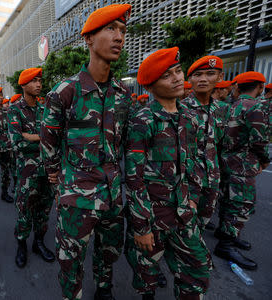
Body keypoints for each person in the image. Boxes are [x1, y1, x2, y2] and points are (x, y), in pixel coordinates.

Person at [41, 4, 132, 299]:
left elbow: (124, 142)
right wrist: (57, 179)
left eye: (122, 30)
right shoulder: (64, 92)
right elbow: (49, 143)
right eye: (110, 29)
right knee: (71, 261)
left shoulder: (122, 94)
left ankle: (104, 290)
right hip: (76, 198)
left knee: (109, 254)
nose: (119, 37)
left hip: (112, 194)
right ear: (88, 39)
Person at [125, 47, 211, 300]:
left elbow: (194, 161)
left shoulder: (189, 117)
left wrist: (194, 197)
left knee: (197, 273)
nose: (176, 79)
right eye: (166, 75)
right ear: (151, 86)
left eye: (177, 71)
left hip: (184, 212)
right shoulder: (143, 120)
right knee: (147, 276)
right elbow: (134, 176)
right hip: (153, 217)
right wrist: (141, 227)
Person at [215, 71, 270, 270]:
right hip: (244, 164)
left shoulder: (232, 105)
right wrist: (264, 160)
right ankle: (226, 244)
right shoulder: (256, 107)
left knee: (229, 200)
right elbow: (259, 140)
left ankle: (226, 234)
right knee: (239, 205)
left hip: (227, 161)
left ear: (238, 87)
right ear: (260, 87)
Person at [8, 68, 55, 269]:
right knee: (25, 210)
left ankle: (38, 243)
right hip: (27, 173)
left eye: (40, 81)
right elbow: (17, 142)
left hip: (48, 171)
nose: (38, 84)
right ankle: (21, 245)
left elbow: (56, 136)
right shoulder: (14, 109)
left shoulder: (45, 107)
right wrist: (43, 137)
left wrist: (32, 136)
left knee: (44, 211)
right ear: (24, 85)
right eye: (34, 81)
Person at [182, 56, 230, 230]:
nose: (203, 79)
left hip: (212, 178)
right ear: (190, 80)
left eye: (210, 74)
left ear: (220, 77)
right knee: (183, 227)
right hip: (186, 179)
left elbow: (223, 144)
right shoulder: (179, 109)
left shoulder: (224, 110)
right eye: (197, 75)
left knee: (202, 224)